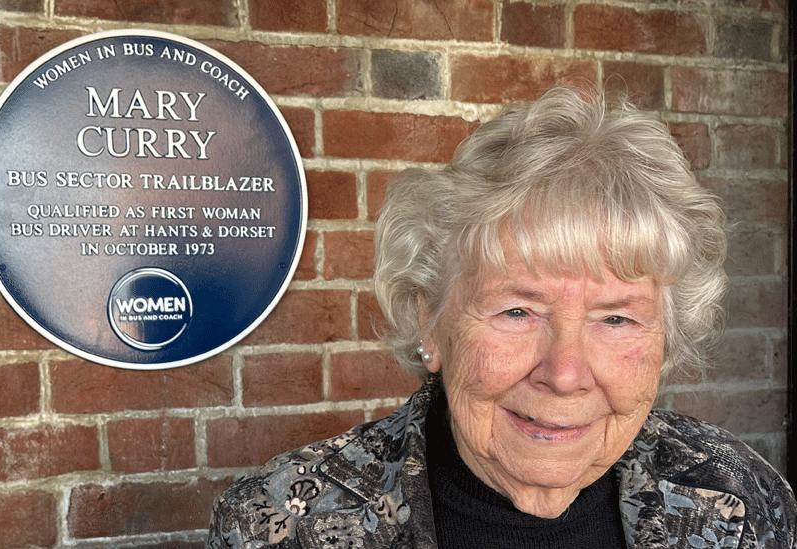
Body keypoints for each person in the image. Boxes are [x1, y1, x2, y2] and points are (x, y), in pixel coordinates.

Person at [206, 86, 796, 548]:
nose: (565, 373)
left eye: (616, 319)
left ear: (669, 340)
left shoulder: (737, 495)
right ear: (430, 322)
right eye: (518, 310)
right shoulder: (284, 523)